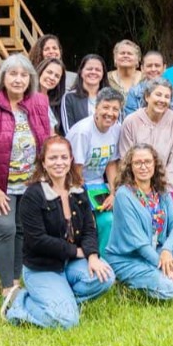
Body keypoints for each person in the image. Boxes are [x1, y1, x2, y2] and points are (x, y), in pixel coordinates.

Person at [0, 136, 115, 329]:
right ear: (43, 162)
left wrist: (93, 257)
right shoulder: (33, 195)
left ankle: (62, 300)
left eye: (64, 157)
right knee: (67, 321)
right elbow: (37, 241)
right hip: (42, 268)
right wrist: (76, 251)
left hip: (70, 265)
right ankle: (20, 304)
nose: (59, 162)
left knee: (106, 276)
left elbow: (89, 229)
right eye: (53, 158)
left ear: (71, 160)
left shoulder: (78, 190)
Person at [0, 54, 55, 298]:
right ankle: (7, 284)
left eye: (23, 75)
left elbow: (50, 140)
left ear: (31, 79)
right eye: (13, 74)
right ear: (3, 77)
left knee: (22, 229)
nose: (18, 80)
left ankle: (17, 277)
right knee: (5, 227)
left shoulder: (40, 102)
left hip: (31, 182)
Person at [105, 144, 173, 302]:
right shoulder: (124, 195)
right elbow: (139, 243)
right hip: (130, 258)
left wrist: (166, 250)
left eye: (147, 162)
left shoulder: (160, 190)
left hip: (157, 249)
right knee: (172, 288)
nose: (143, 166)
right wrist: (163, 262)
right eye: (138, 163)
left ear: (155, 164)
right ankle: (165, 281)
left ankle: (170, 275)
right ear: (130, 167)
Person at [66, 88, 125, 248]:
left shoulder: (116, 129)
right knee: (95, 220)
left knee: (112, 217)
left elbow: (111, 164)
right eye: (106, 107)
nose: (110, 113)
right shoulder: (83, 132)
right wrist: (84, 202)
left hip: (97, 184)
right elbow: (75, 169)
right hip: (74, 184)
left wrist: (113, 193)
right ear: (96, 108)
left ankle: (106, 257)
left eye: (115, 109)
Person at [117, 78, 173, 201]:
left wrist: (164, 189)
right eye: (158, 95)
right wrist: (138, 188)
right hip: (135, 183)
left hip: (165, 185)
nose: (162, 100)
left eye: (167, 97)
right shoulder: (131, 121)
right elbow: (126, 159)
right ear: (147, 97)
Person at [123, 51, 173, 120]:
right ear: (142, 68)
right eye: (149, 66)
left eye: (157, 66)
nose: (153, 69)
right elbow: (130, 120)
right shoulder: (134, 92)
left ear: (164, 68)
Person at [60, 54, 106, 130]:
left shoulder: (111, 97)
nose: (93, 72)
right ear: (81, 72)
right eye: (89, 69)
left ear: (103, 74)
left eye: (98, 70)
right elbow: (69, 130)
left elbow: (117, 126)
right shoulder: (69, 97)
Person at [37, 58, 68, 135]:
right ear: (41, 71)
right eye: (49, 72)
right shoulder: (27, 97)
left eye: (57, 76)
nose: (52, 78)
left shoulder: (56, 104)